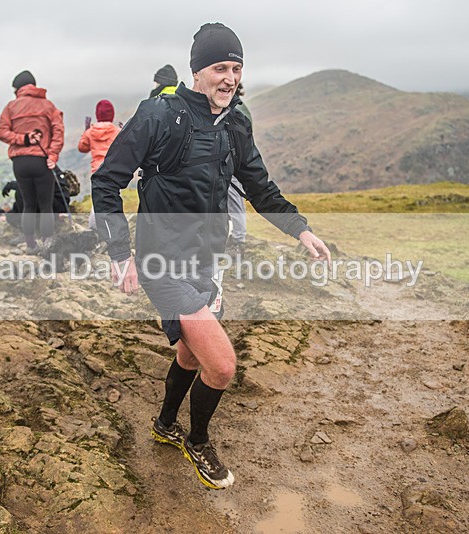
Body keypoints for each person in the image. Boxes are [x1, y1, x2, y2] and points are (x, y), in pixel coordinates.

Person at [93, 23, 330, 490]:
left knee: (189, 353)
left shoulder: (236, 123)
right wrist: (121, 253)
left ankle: (165, 424)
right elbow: (106, 181)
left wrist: (299, 229)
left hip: (207, 261)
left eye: (237, 68)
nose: (230, 78)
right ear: (197, 71)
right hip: (162, 263)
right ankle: (197, 440)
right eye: (220, 67)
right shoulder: (160, 115)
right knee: (221, 366)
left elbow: (260, 186)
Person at [0, 70, 65, 252]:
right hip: (42, 160)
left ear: (18, 88)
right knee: (45, 205)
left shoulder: (11, 107)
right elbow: (58, 131)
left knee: (28, 204)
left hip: (20, 162)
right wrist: (53, 155)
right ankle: (47, 245)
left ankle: (30, 245)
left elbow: (2, 132)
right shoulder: (48, 105)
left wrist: (23, 139)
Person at [79, 100, 121, 230]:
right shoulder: (117, 131)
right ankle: (112, 228)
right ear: (112, 115)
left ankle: (94, 227)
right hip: (113, 171)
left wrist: (86, 131)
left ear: (97, 115)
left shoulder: (90, 132)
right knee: (112, 198)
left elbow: (82, 148)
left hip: (96, 171)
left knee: (96, 200)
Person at [226, 83, 251, 256]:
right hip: (235, 162)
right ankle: (235, 238)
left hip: (233, 165)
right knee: (232, 203)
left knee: (235, 203)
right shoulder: (241, 107)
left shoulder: (237, 110)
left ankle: (238, 241)